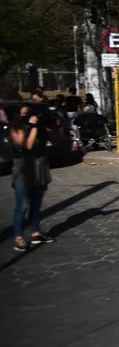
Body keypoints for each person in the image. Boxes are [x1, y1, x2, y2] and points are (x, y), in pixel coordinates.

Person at [9, 104, 54, 251]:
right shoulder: (16, 128)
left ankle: (36, 233)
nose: (28, 116)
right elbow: (27, 145)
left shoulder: (39, 127)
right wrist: (32, 126)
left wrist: (50, 125)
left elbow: (55, 138)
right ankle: (18, 236)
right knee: (23, 206)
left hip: (39, 168)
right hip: (23, 169)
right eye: (25, 114)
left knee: (36, 203)